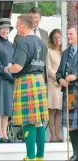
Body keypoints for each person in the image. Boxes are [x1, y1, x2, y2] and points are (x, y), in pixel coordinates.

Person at [4, 14, 48, 160]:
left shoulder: (23, 42)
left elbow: (18, 66)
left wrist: (8, 68)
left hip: (26, 81)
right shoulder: (41, 42)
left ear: (23, 25)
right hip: (39, 80)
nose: (16, 27)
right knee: (39, 120)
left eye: (17, 24)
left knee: (28, 119)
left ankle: (30, 156)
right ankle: (40, 156)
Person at [56, 25, 78, 161]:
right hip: (70, 92)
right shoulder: (64, 53)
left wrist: (76, 76)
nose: (68, 36)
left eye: (71, 34)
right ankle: (76, 154)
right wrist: (60, 79)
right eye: (67, 34)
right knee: (72, 126)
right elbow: (59, 72)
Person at [46, 29, 63, 142]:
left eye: (59, 37)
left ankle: (58, 134)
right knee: (52, 110)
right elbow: (48, 69)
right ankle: (52, 135)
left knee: (60, 111)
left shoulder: (64, 52)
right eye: (55, 38)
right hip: (53, 84)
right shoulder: (49, 51)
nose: (57, 40)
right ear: (52, 39)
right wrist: (58, 78)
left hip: (63, 85)